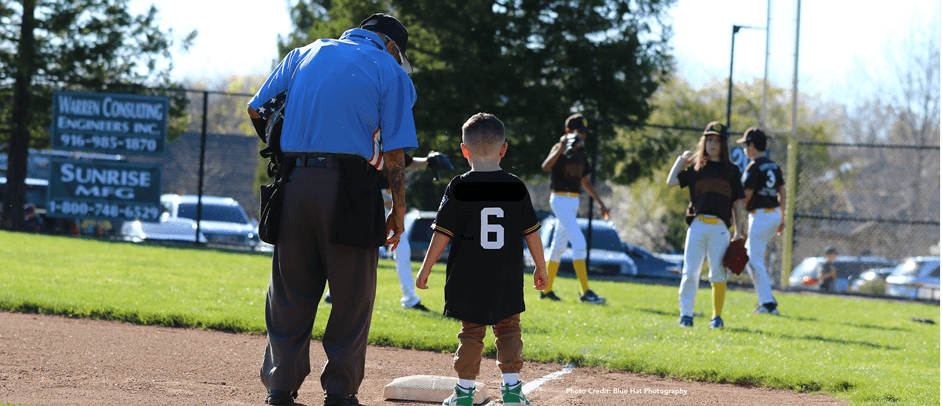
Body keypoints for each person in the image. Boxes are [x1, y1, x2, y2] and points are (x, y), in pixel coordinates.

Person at [246, 13, 418, 406]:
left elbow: (258, 110)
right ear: (391, 46)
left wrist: (286, 143)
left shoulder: (303, 54)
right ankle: (339, 391)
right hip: (352, 188)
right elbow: (394, 152)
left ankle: (280, 387)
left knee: (290, 292)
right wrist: (399, 209)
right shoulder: (391, 73)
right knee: (352, 295)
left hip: (293, 184)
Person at [415, 113, 548, 406]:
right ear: (504, 149)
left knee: (471, 333)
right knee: (509, 330)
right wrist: (541, 266)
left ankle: (463, 393)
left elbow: (442, 233)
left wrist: (425, 269)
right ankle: (512, 392)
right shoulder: (515, 186)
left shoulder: (459, 186)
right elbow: (532, 233)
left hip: (468, 277)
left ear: (464, 151)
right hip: (506, 276)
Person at [325, 152, 451, 312]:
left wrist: (429, 160)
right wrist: (386, 199)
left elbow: (409, 162)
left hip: (385, 201)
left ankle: (410, 299)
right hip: (367, 199)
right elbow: (360, 173)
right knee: (356, 248)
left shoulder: (389, 142)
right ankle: (333, 293)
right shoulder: (370, 141)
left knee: (401, 249)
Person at [666, 121, 745, 329]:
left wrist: (738, 231)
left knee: (718, 273)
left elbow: (737, 202)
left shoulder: (732, 171)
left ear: (724, 145)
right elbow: (671, 181)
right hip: (697, 225)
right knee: (690, 272)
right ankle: (686, 315)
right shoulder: (696, 168)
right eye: (709, 139)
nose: (713, 144)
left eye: (717, 141)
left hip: (720, 227)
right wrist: (680, 161)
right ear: (704, 142)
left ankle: (716, 317)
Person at [539, 113, 610, 304]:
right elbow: (546, 167)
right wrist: (561, 146)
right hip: (560, 200)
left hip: (573, 201)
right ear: (568, 132)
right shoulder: (559, 148)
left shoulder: (580, 153)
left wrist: (601, 204)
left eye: (585, 133)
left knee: (558, 248)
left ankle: (546, 291)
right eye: (579, 132)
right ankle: (585, 292)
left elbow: (585, 181)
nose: (583, 136)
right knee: (579, 244)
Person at [736, 127, 786, 315]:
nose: (745, 149)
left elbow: (747, 196)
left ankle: (767, 303)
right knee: (753, 257)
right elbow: (782, 191)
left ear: (752, 145)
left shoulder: (754, 167)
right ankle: (766, 299)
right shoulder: (773, 165)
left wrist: (736, 216)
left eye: (746, 144)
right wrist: (782, 216)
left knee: (753, 258)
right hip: (772, 213)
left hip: (761, 215)